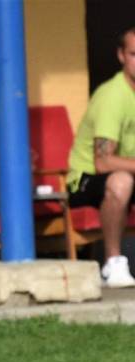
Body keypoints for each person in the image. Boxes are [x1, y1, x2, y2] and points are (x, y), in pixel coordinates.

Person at [68, 27, 135, 288]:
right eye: (134, 54)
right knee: (120, 181)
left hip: (128, 172)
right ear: (121, 56)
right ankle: (113, 263)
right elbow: (102, 162)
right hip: (86, 179)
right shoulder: (112, 95)